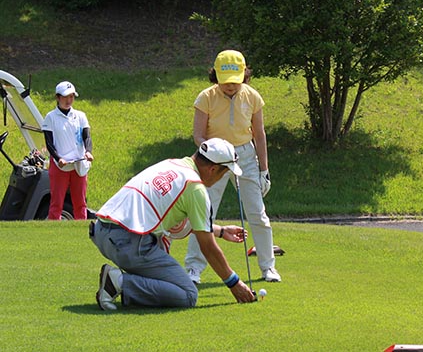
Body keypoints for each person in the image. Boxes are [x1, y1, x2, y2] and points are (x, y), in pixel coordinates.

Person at [90, 137, 257, 310]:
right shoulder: (195, 188)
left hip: (102, 232)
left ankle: (120, 283)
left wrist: (220, 231)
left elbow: (181, 224)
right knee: (187, 294)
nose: (221, 178)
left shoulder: (171, 164)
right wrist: (234, 283)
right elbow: (207, 247)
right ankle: (119, 282)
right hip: (128, 242)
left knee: (164, 264)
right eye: (223, 173)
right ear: (213, 169)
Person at [184, 49, 281, 284]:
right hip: (212, 160)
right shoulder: (205, 97)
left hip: (245, 157)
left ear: (244, 76)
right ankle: (193, 269)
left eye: (235, 82)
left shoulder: (252, 97)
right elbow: (198, 135)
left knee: (257, 213)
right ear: (216, 76)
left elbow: (259, 134)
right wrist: (212, 152)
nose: (230, 86)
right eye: (225, 82)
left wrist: (264, 170)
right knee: (204, 213)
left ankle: (268, 267)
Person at [42, 81, 93, 220]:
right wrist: (58, 158)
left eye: (71, 97)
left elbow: (86, 136)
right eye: (65, 97)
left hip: (78, 163)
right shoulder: (50, 117)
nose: (68, 100)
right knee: (56, 203)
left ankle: (80, 232)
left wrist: (88, 151)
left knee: (80, 203)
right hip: (61, 165)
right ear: (58, 97)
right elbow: (49, 142)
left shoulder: (80, 116)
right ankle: (53, 233)